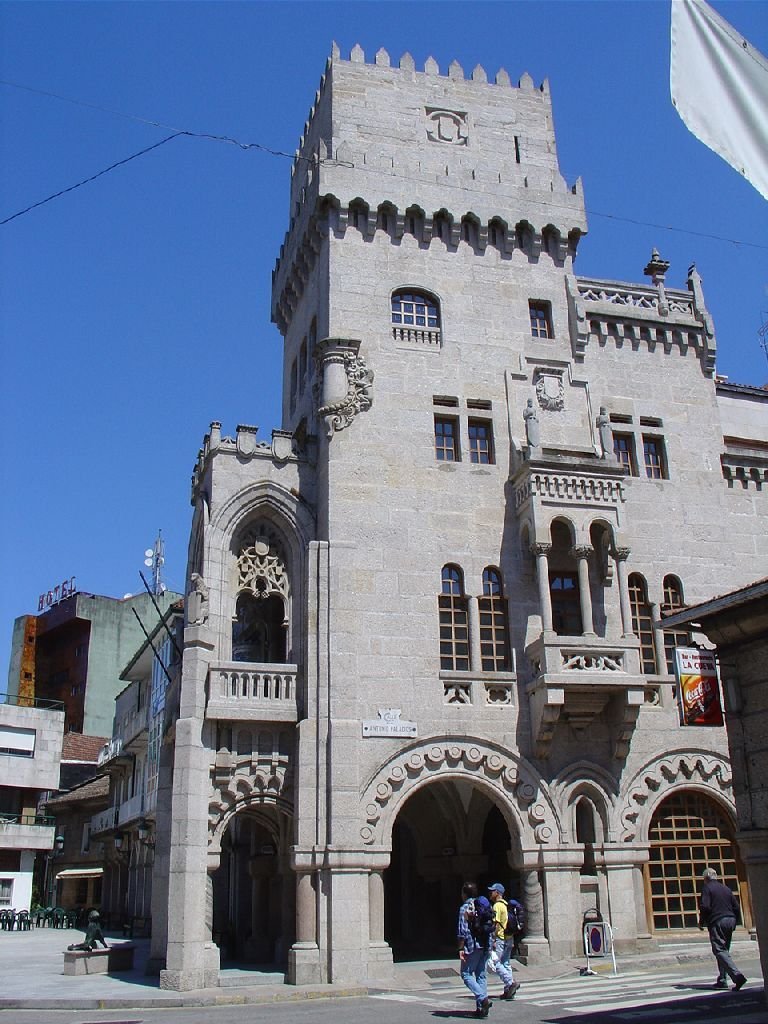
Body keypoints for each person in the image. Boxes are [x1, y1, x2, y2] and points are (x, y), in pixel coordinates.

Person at [698, 867, 746, 990]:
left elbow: (705, 906)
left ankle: (737, 976)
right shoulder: (726, 889)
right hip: (730, 920)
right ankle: (722, 979)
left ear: (706, 878)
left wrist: (702, 921)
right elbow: (736, 907)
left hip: (718, 920)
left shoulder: (707, 888)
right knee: (724, 951)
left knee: (719, 950)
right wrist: (736, 921)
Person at [457, 883, 492, 1018]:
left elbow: (463, 929)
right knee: (481, 975)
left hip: (472, 945)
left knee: (466, 974)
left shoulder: (465, 908)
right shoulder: (484, 905)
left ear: (465, 894)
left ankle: (482, 999)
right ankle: (481, 1009)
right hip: (485, 943)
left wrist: (461, 948)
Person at [487, 883, 520, 1000]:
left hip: (500, 938)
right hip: (509, 937)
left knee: (494, 962)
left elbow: (496, 924)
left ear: (498, 893)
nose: (490, 893)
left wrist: (493, 939)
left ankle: (510, 982)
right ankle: (508, 990)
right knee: (506, 963)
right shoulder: (506, 904)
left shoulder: (497, 906)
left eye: (492, 891)